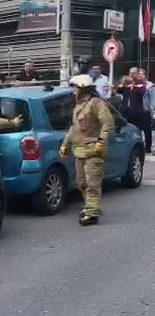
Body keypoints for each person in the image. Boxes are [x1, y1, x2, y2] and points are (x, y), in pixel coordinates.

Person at [59, 74, 115, 226]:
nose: (73, 91)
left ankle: (92, 214)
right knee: (81, 183)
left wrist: (101, 141)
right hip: (79, 151)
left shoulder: (97, 103)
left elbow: (108, 124)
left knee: (92, 183)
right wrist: (65, 144)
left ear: (83, 89)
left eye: (76, 88)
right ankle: (90, 206)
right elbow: (74, 128)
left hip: (93, 151)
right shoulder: (77, 106)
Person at [117, 67, 152, 153]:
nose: (132, 75)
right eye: (130, 73)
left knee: (146, 130)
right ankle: (132, 146)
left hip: (141, 112)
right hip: (127, 112)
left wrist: (134, 84)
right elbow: (119, 91)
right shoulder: (127, 83)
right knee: (131, 130)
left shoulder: (141, 84)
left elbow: (141, 93)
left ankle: (147, 147)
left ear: (137, 74)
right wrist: (123, 83)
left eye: (134, 73)